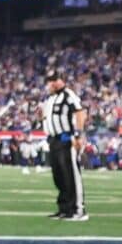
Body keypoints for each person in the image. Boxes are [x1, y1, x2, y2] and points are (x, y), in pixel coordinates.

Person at [44, 73, 87, 219]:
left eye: (49, 82)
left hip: (66, 139)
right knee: (59, 176)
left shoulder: (68, 95)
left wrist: (78, 135)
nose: (48, 86)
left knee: (71, 175)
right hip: (53, 140)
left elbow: (80, 113)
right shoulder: (50, 98)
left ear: (57, 82)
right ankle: (64, 208)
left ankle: (78, 209)